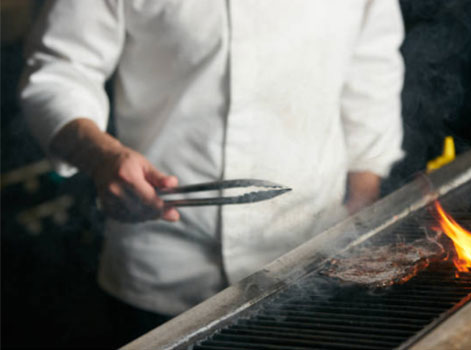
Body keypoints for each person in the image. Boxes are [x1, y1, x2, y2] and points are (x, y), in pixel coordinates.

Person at [20, 0, 405, 346]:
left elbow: (371, 69)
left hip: (313, 255)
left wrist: (361, 208)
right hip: (165, 264)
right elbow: (61, 68)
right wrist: (103, 156)